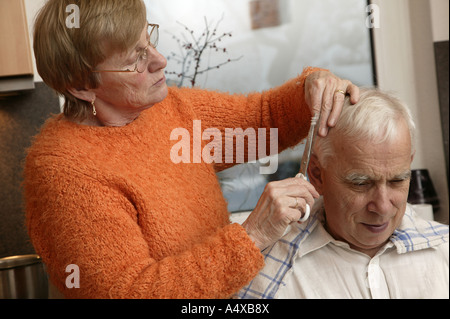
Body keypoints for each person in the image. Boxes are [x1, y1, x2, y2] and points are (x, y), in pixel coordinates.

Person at [24, 0, 359, 299]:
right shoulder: (64, 170)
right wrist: (252, 236)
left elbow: (265, 119)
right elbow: (129, 293)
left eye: (148, 41)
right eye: (134, 60)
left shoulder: (167, 111)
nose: (159, 60)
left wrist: (312, 90)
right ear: (82, 86)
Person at [238, 88, 449, 299]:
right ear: (317, 175)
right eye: (361, 183)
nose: (383, 207)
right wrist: (251, 238)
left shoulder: (444, 250)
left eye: (397, 180)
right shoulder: (267, 274)